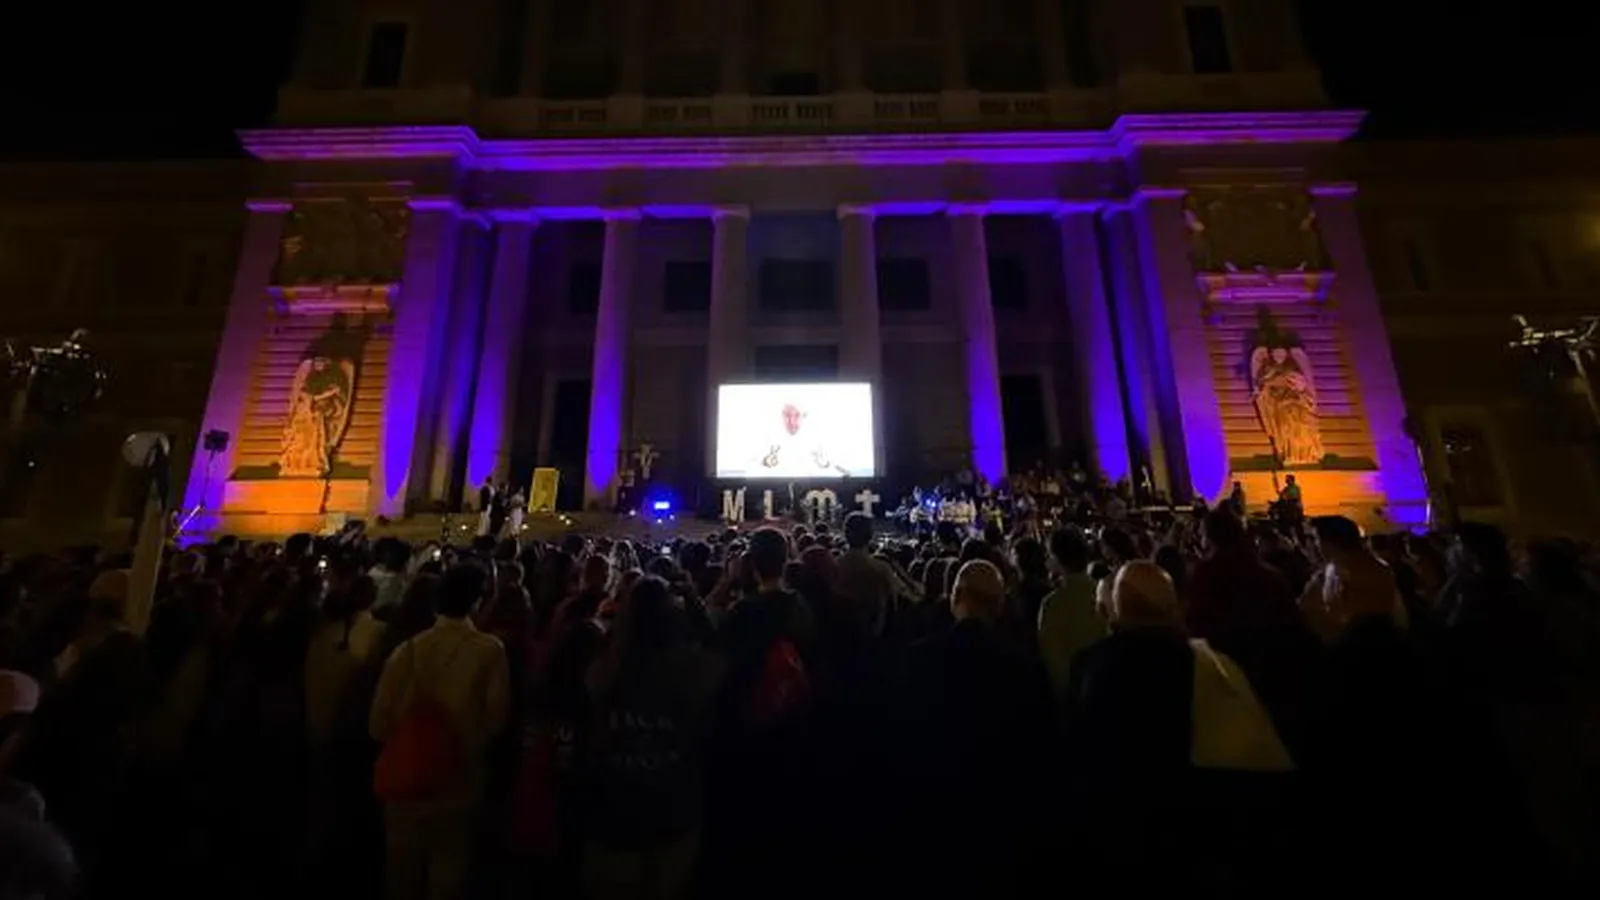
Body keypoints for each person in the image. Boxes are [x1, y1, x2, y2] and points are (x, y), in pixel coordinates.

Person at [369, 563, 510, 900]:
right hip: (459, 779)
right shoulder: (489, 650)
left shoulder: (407, 650)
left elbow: (377, 724)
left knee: (401, 876)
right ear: (477, 601)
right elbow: (496, 719)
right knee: (448, 874)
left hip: (407, 779)